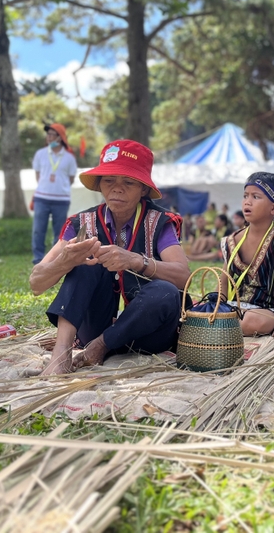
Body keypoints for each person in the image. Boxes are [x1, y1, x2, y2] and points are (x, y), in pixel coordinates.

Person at [30, 140, 191, 375]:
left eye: (128, 182)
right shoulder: (82, 223)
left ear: (143, 190)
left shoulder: (159, 222)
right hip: (92, 328)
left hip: (146, 335)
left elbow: (183, 277)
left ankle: (101, 346)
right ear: (100, 185)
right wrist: (65, 261)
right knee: (84, 263)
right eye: (109, 181)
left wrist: (137, 260)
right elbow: (36, 283)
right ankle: (61, 351)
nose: (117, 189)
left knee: (165, 291)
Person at [219, 172, 274, 340]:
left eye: (256, 197)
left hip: (267, 311)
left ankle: (219, 330)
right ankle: (221, 325)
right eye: (245, 196)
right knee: (199, 310)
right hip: (236, 308)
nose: (247, 201)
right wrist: (218, 308)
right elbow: (224, 280)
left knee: (254, 321)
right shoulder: (233, 240)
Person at [31, 123, 78, 264]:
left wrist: (59, 188)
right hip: (41, 198)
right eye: (48, 134)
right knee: (38, 230)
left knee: (60, 232)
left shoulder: (69, 157)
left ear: (60, 137)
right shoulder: (40, 154)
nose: (49, 138)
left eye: (52, 134)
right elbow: (38, 175)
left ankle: (55, 259)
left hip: (61, 199)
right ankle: (38, 258)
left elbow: (70, 178)